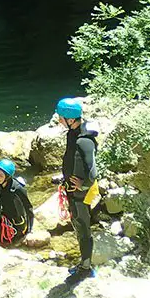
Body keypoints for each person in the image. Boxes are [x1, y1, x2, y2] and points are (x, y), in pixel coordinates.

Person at [56, 97, 99, 278]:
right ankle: (83, 262)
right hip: (72, 189)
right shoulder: (72, 133)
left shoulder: (84, 141)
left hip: (81, 193)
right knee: (77, 224)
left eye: (61, 117)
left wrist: (83, 185)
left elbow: (92, 172)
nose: (59, 120)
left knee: (83, 228)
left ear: (71, 119)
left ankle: (86, 267)